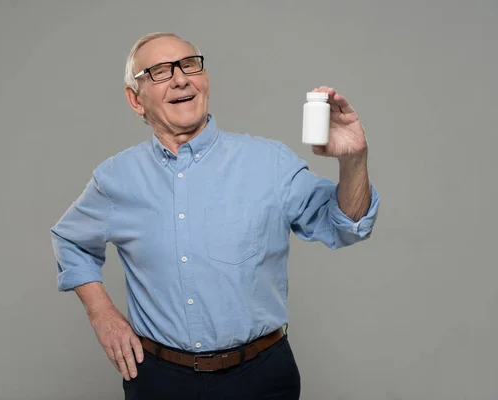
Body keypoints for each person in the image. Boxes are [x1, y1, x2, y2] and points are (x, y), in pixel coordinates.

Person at [50, 32, 380, 400]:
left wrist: (354, 160)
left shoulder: (268, 162)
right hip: (160, 382)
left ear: (204, 80)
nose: (180, 78)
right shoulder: (115, 178)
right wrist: (102, 315)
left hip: (261, 378)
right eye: (160, 71)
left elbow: (346, 224)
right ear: (135, 99)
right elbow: (70, 240)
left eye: (189, 65)